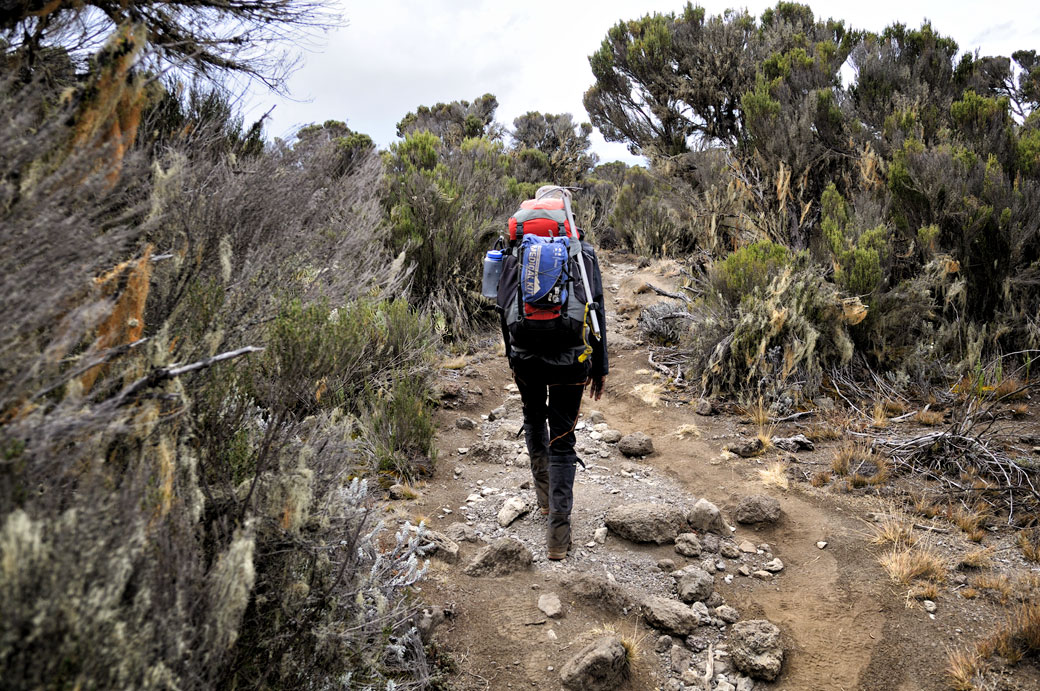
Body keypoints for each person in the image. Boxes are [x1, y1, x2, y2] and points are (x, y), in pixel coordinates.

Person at [497, 191, 608, 561]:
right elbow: (597, 313)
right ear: (565, 215)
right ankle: (558, 537)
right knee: (563, 437)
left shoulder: (513, 250)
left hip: (526, 357)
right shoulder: (580, 251)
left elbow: (503, 309)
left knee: (532, 416)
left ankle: (544, 500)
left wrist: (513, 358)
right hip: (571, 361)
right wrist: (600, 366)